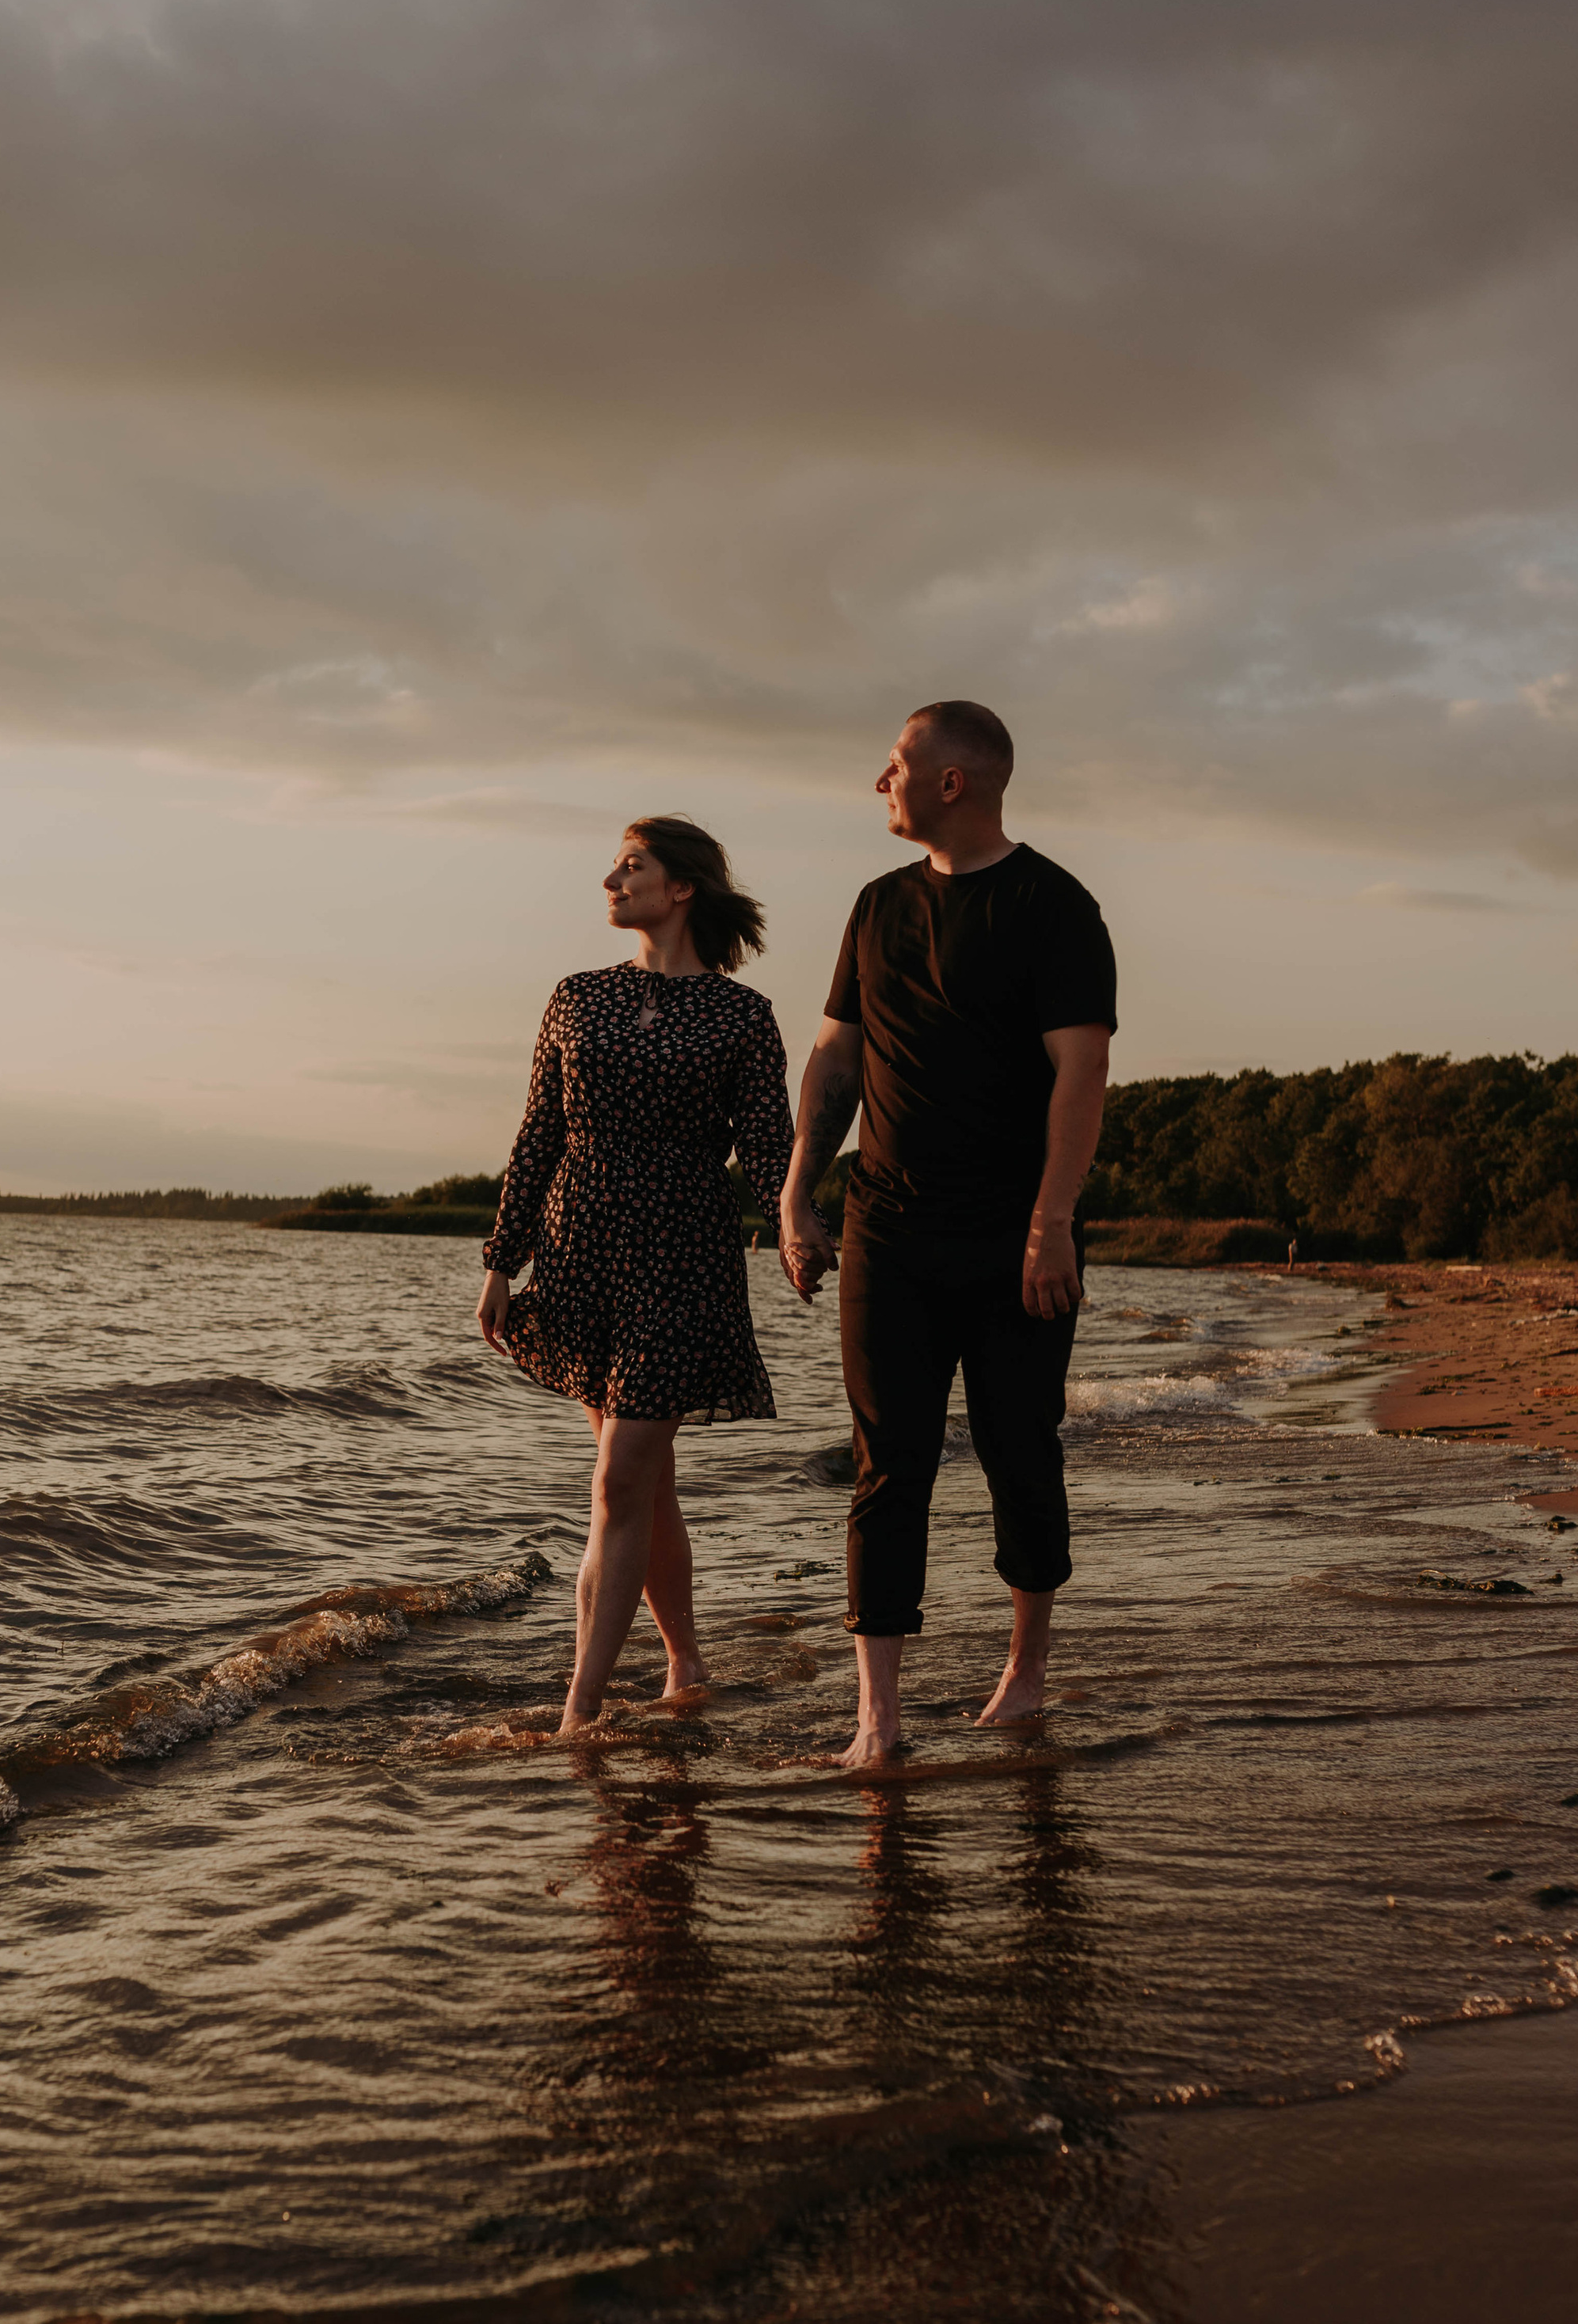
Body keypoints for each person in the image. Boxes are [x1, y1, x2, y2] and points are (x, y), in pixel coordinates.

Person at [778, 701, 1116, 1770]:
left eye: (893, 766)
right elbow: (835, 1064)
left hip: (1017, 1231)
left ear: (952, 781)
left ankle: (1023, 1675)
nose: (879, 782)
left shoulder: (1052, 904)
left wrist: (1052, 1221)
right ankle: (877, 1720)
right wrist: (796, 1193)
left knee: (1021, 1452)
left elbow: (1083, 1071)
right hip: (887, 1225)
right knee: (890, 1463)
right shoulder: (876, 906)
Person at [477, 819, 803, 1736]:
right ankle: (685, 1657)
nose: (612, 878)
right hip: (579, 1253)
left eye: (633, 864)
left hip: (682, 1260)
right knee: (644, 1482)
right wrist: (503, 1260)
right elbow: (538, 1132)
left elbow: (769, 1152)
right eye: (618, 864)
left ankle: (580, 1707)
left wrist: (798, 1227)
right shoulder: (576, 997)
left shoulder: (742, 1016)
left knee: (620, 1477)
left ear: (684, 887)